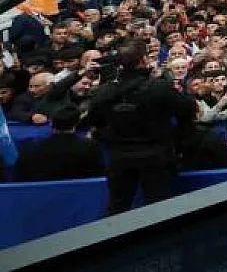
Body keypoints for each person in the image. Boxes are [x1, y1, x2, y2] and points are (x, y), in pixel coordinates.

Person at [86, 39, 196, 215]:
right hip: (157, 155)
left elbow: (94, 120)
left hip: (119, 156)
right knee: (159, 210)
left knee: (117, 207)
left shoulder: (105, 91)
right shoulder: (160, 87)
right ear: (143, 60)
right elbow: (188, 110)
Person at [14, 105, 104, 182]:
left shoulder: (31, 148)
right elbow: (98, 174)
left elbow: (19, 177)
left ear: (51, 123)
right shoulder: (90, 147)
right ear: (77, 123)